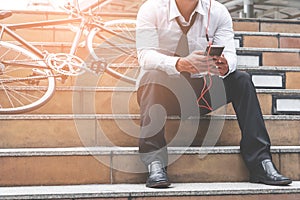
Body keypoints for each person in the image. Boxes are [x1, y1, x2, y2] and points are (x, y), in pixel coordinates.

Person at [135, 0, 292, 188]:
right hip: (163, 94)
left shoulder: (218, 12)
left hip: (201, 93)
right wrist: (179, 63)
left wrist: (225, 66)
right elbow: (144, 55)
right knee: (152, 76)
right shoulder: (151, 8)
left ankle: (260, 162)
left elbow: (231, 56)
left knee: (241, 80)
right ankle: (155, 163)